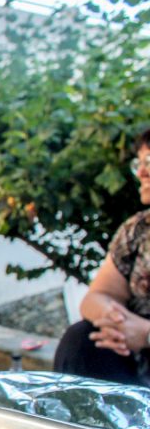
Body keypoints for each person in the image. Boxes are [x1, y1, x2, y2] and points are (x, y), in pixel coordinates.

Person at [55, 129, 150, 386]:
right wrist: (115, 321)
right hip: (134, 361)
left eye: (149, 162)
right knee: (81, 340)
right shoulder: (137, 230)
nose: (141, 172)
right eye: (138, 164)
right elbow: (95, 298)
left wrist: (144, 334)